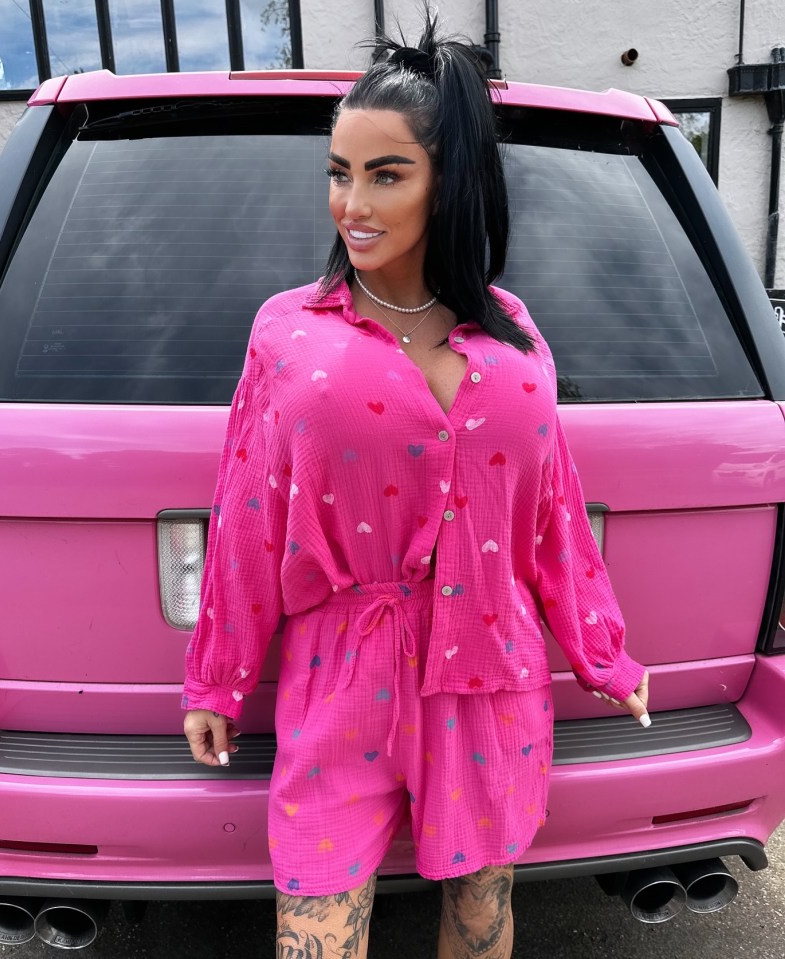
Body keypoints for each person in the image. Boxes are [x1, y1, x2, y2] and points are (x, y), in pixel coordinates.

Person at [183, 9, 650, 958]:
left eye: (385, 173)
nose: (351, 202)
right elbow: (245, 517)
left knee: (481, 914)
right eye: (338, 173)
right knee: (313, 922)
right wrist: (219, 678)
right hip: (338, 673)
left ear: (450, 184)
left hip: (493, 669)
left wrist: (604, 654)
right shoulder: (290, 335)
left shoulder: (513, 338)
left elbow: (553, 514)